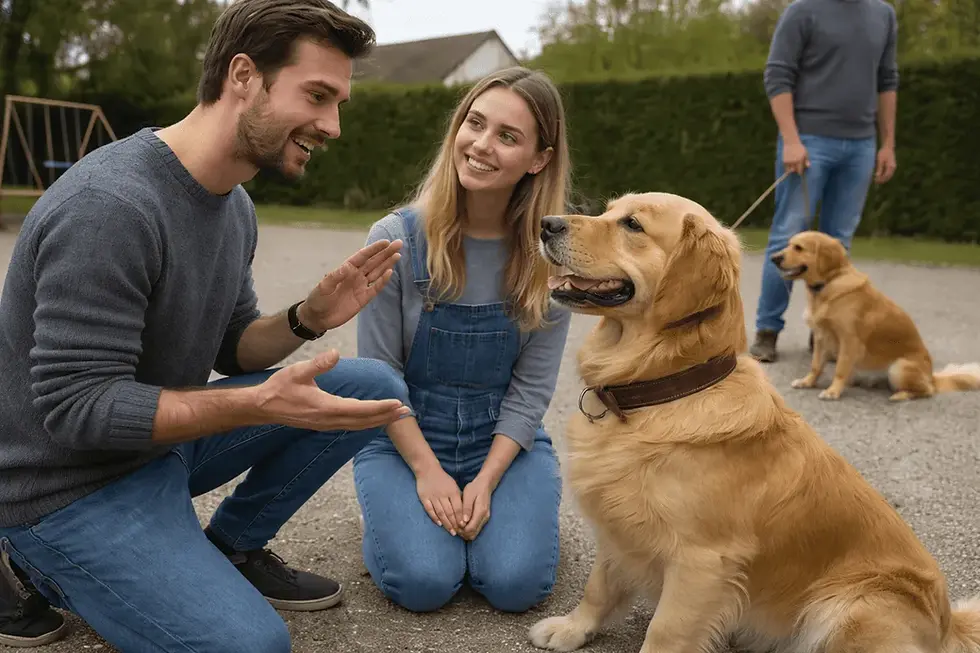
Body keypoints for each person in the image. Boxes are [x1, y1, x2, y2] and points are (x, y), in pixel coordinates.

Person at [0, 1, 413, 651]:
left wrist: (308, 317)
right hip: (66, 487)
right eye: (317, 95)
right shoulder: (111, 207)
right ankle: (27, 559)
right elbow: (77, 408)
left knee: (373, 385)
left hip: (155, 449)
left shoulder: (234, 205)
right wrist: (255, 403)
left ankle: (232, 547)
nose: (333, 126)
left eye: (339, 103)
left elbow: (233, 345)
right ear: (243, 76)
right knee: (252, 645)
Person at [351, 66, 572, 614]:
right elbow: (377, 377)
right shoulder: (396, 239)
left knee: (517, 585)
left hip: (500, 442)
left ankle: (504, 520)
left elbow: (530, 391)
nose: (481, 144)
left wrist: (488, 480)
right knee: (424, 583)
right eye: (475, 123)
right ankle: (396, 523)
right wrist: (427, 472)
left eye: (508, 136)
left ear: (539, 159)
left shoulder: (551, 256)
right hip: (402, 439)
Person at [749, 0, 899, 363]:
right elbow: (777, 74)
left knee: (837, 244)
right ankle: (767, 331)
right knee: (788, 235)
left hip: (861, 145)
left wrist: (888, 144)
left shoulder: (883, 14)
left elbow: (887, 80)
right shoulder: (803, 10)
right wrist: (791, 140)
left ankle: (824, 332)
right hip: (809, 140)